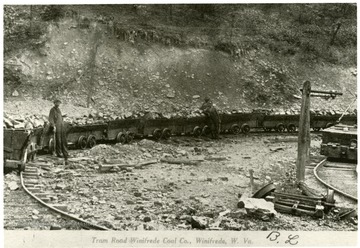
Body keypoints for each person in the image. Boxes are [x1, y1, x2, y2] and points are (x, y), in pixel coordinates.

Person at [48, 99, 69, 165]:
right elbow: (50, 119)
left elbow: (60, 118)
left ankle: (65, 153)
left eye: (59, 103)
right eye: (57, 103)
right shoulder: (52, 110)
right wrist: (53, 126)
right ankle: (59, 153)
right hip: (57, 126)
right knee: (58, 140)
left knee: (63, 140)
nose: (58, 104)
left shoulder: (59, 110)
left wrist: (63, 117)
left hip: (61, 126)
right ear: (54, 103)